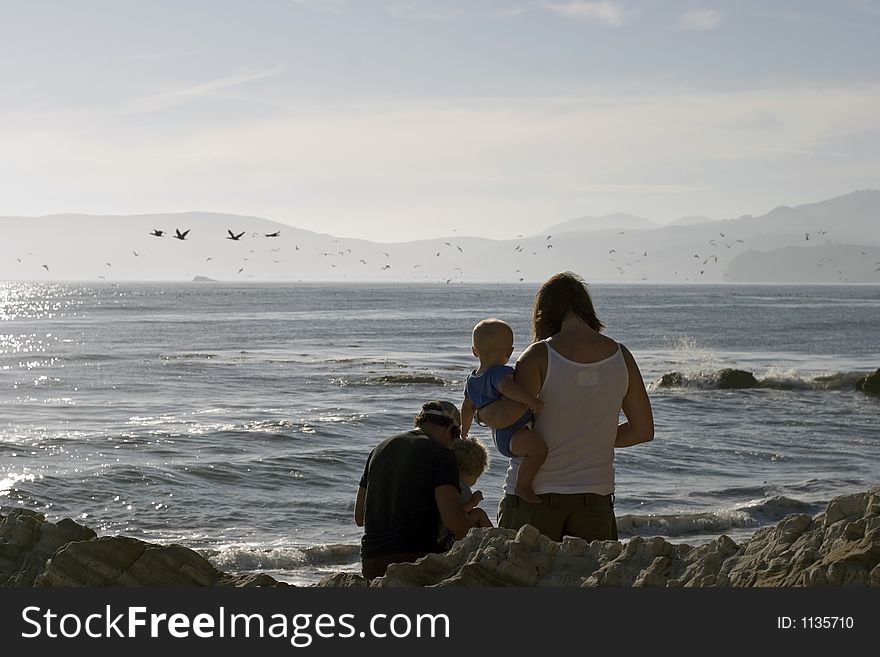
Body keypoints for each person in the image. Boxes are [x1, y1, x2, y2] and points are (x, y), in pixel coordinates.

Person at [476, 272, 654, 543]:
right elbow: (643, 430)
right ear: (586, 309)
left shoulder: (539, 354)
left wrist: (478, 413)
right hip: (595, 497)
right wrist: (593, 438)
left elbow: (506, 416)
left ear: (543, 312)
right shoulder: (622, 356)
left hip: (535, 496)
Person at [354, 400, 482, 580]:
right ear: (448, 426)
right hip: (416, 560)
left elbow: (360, 517)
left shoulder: (379, 449)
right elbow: (454, 522)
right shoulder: (441, 455)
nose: (457, 440)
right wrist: (484, 544)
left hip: (372, 562)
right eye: (457, 432)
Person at [461, 318, 548, 503]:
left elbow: (467, 407)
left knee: (536, 450)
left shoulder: (472, 380)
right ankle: (523, 485)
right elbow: (508, 388)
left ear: (474, 351)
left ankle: (522, 485)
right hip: (513, 433)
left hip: (502, 436)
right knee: (539, 451)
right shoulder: (499, 372)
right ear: (509, 352)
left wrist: (464, 430)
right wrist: (533, 401)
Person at [437, 438, 493, 551]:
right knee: (479, 513)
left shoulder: (442, 482)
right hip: (446, 541)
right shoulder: (462, 488)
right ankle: (495, 539)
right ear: (472, 472)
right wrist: (473, 502)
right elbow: (456, 513)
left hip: (433, 537)